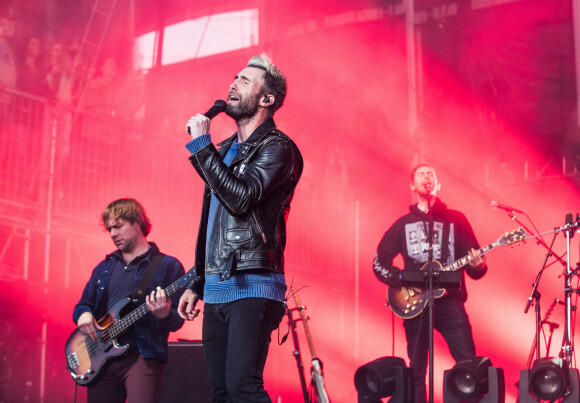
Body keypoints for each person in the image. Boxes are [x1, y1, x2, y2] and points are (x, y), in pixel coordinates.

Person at [178, 53, 303, 403]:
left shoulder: (278, 148)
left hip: (254, 284)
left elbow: (241, 199)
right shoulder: (225, 150)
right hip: (217, 287)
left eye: (245, 81)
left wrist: (201, 147)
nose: (233, 83)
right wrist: (198, 280)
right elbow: (211, 222)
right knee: (220, 393)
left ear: (267, 99)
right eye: (234, 78)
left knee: (242, 387)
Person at [373, 163, 487, 403]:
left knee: (468, 364)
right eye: (422, 174)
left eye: (431, 174)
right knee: (416, 371)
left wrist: (479, 266)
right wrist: (402, 279)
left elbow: (475, 265)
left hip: (450, 302)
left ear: (438, 184)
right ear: (413, 185)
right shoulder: (403, 224)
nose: (427, 177)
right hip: (414, 304)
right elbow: (379, 262)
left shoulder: (457, 219)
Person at [72, 198, 185, 403]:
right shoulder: (103, 268)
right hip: (101, 360)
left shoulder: (168, 265)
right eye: (109, 229)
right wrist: (84, 314)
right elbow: (82, 305)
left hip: (143, 356)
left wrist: (164, 315)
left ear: (137, 222)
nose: (113, 234)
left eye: (118, 226)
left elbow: (178, 319)